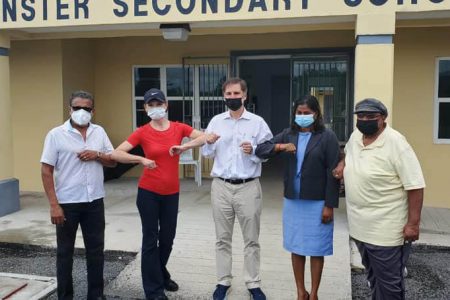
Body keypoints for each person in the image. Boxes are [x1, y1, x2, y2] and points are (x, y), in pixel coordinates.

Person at [111, 88, 206, 300]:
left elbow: (204, 137)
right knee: (150, 239)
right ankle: (153, 290)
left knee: (168, 238)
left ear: (166, 105)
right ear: (145, 108)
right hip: (148, 193)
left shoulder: (179, 128)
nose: (155, 108)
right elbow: (116, 153)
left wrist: (184, 146)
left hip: (171, 193)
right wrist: (141, 160)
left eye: (158, 104)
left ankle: (160, 273)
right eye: (150, 105)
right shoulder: (142, 131)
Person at [333, 98, 425, 300]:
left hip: (386, 230)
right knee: (373, 277)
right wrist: (342, 165)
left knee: (389, 284)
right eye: (361, 116)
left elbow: (416, 186)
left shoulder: (396, 143)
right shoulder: (357, 135)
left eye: (371, 116)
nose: (365, 120)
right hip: (360, 227)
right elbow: (347, 155)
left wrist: (413, 224)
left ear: (383, 118)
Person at [255, 95, 340, 300]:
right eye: (299, 113)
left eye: (307, 113)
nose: (302, 117)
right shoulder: (288, 134)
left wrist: (330, 205)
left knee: (316, 248)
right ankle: (301, 291)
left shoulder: (327, 137)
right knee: (297, 247)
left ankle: (315, 294)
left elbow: (333, 172)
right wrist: (281, 147)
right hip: (294, 202)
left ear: (316, 114)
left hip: (318, 202)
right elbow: (261, 150)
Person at [201, 77, 273, 300]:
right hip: (221, 186)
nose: (232, 98)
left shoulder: (257, 122)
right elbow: (206, 153)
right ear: (224, 96)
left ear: (245, 95)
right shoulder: (216, 121)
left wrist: (253, 150)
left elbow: (268, 152)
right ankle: (223, 281)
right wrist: (210, 142)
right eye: (228, 94)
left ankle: (253, 283)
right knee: (222, 238)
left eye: (236, 94)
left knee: (251, 239)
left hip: (248, 187)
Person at [41, 90, 116, 300]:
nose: (82, 111)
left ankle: (96, 295)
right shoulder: (56, 134)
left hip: (94, 201)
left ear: (93, 110)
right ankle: (65, 296)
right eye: (77, 108)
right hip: (67, 203)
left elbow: (113, 160)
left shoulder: (99, 132)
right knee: (65, 253)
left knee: (96, 251)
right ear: (69, 109)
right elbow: (46, 170)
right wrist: (54, 205)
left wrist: (97, 154)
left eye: (86, 108)